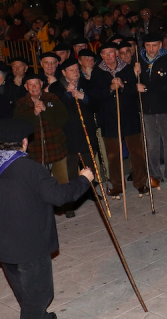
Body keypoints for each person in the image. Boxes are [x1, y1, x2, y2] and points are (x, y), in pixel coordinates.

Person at [0, 118, 93, 319]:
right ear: (24, 142)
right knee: (39, 294)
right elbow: (60, 197)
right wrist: (83, 180)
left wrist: (2, 229)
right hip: (31, 246)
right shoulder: (31, 169)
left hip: (1, 245)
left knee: (23, 288)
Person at [92, 42, 149, 197]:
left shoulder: (126, 68)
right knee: (112, 155)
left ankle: (140, 182)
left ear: (116, 53)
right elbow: (95, 96)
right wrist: (110, 88)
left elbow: (134, 90)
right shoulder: (97, 72)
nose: (108, 56)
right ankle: (117, 185)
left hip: (129, 116)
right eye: (105, 53)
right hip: (109, 118)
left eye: (111, 53)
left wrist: (123, 85)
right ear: (102, 56)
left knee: (137, 152)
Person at [14, 73, 72, 215]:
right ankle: (42, 208)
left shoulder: (51, 98)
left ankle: (67, 206)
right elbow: (19, 124)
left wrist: (46, 111)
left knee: (62, 179)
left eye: (37, 84)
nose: (34, 87)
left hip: (56, 146)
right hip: (35, 150)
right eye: (30, 84)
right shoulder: (21, 103)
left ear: (42, 85)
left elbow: (63, 118)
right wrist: (33, 113)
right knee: (39, 182)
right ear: (26, 86)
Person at [48, 59, 98, 214]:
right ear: (63, 72)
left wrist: (82, 96)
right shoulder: (56, 87)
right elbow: (55, 107)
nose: (76, 72)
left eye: (77, 69)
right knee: (71, 167)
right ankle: (71, 201)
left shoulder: (86, 83)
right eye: (71, 70)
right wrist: (68, 94)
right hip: (68, 133)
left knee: (89, 163)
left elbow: (96, 104)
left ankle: (90, 191)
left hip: (86, 131)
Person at [134, 33, 167, 189]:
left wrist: (148, 88)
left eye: (154, 45)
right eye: (148, 45)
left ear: (160, 44)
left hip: (165, 108)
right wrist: (135, 75)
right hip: (147, 110)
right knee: (152, 145)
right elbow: (131, 83)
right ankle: (154, 175)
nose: (151, 49)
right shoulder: (138, 60)